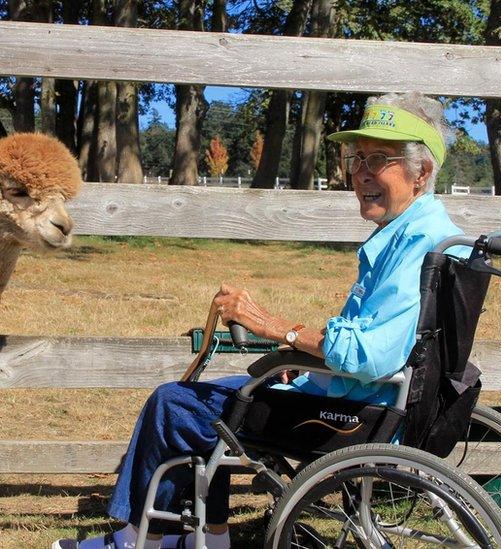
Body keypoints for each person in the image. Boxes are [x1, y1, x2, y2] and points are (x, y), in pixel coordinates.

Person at [53, 91, 465, 549]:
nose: (361, 173)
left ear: (421, 172)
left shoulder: (418, 249)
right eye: (357, 157)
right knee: (213, 398)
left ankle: (141, 539)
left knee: (174, 404)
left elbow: (368, 355)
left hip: (352, 413)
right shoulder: (437, 238)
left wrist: (276, 329)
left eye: (379, 159)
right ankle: (206, 535)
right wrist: (303, 355)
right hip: (360, 396)